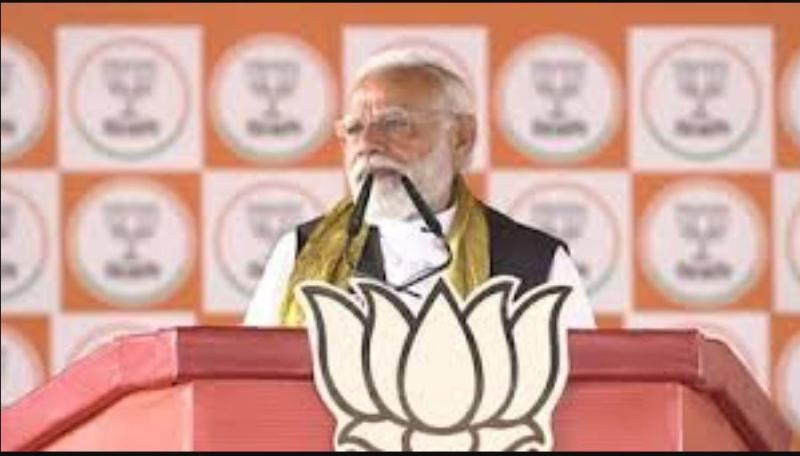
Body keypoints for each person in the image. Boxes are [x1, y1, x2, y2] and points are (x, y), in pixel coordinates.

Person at [244, 49, 596, 329]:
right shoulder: (299, 253)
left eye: (395, 123)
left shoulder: (538, 264)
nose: (367, 144)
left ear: (461, 138)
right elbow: (251, 382)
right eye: (353, 129)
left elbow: (582, 392)